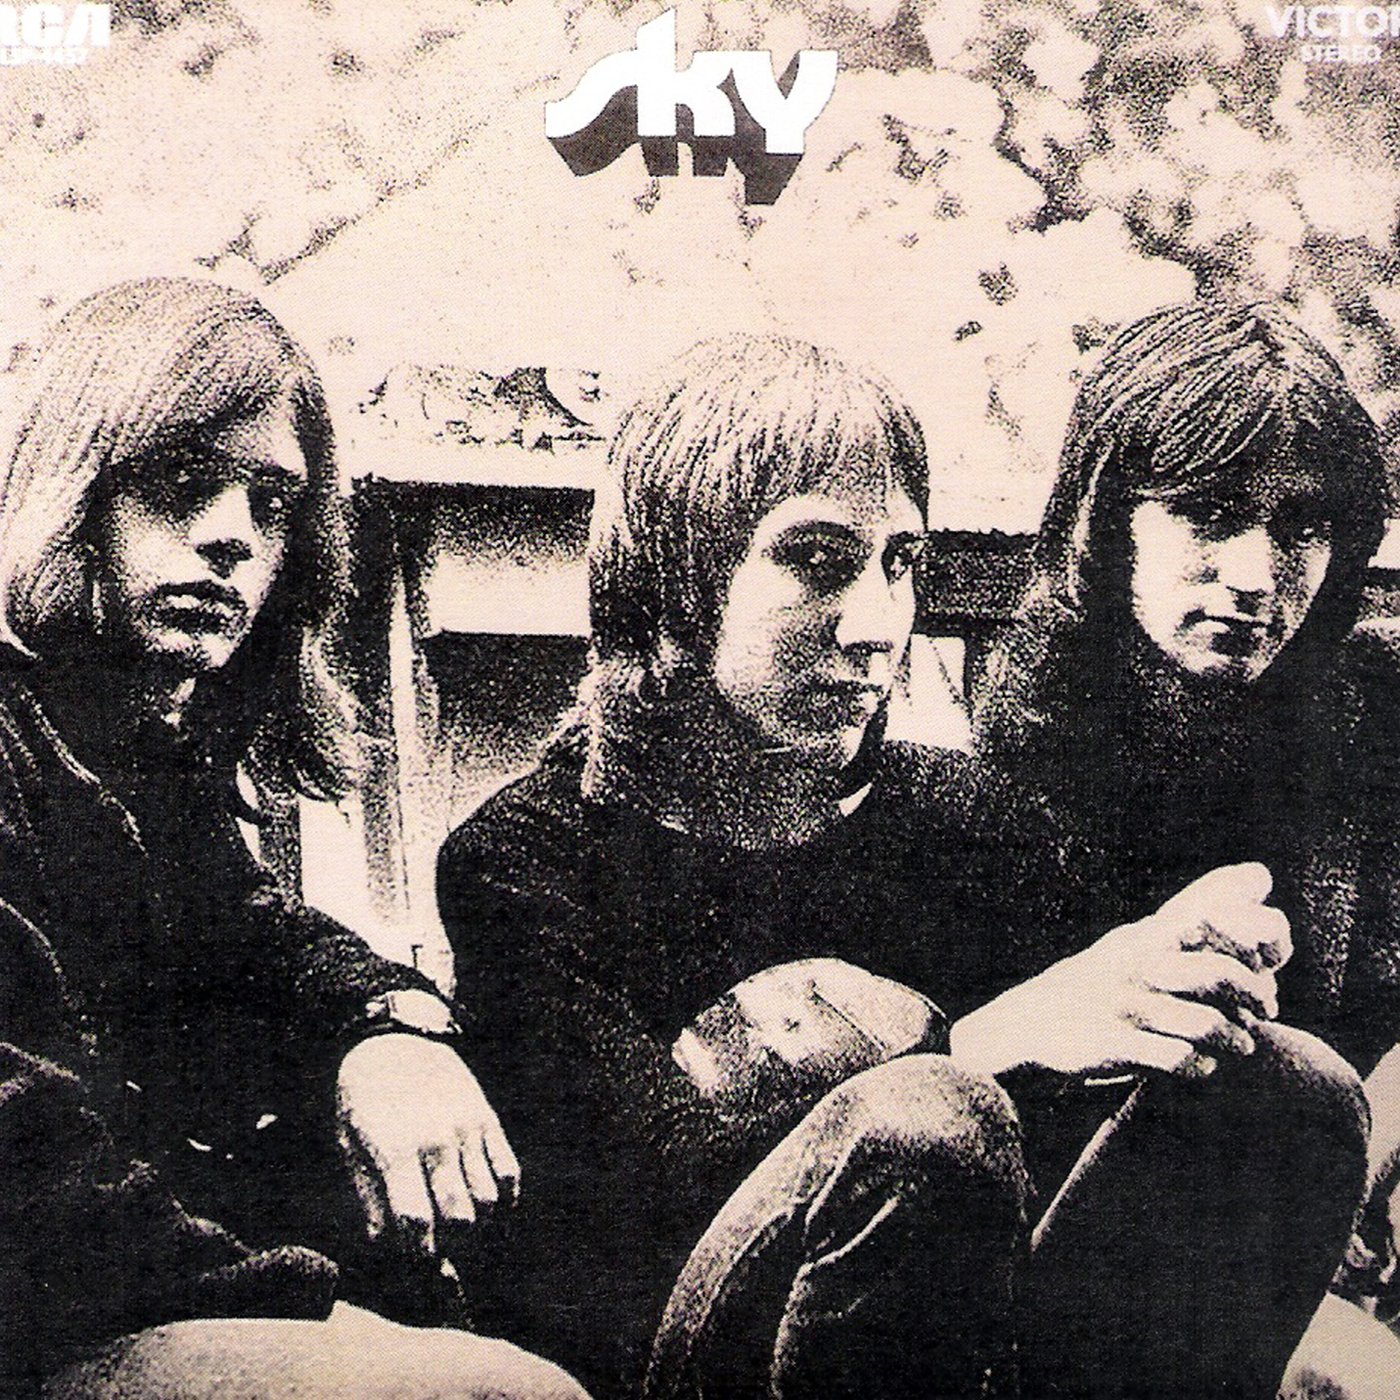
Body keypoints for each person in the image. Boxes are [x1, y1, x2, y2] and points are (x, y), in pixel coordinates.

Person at [438, 332, 1367, 1399]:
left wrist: (1177, 993)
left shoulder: (971, 820)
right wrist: (987, 1046)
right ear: (674, 573)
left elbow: (1073, 1188)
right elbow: (636, 1213)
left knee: (1284, 1088)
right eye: (816, 562)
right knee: (928, 1124)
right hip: (677, 1363)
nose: (875, 626)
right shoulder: (525, 859)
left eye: (899, 563)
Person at [0, 277, 584, 1400]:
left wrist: (386, 1031)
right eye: (181, 485)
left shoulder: (139, 763)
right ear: (70, 492)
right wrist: (303, 1296)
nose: (233, 535)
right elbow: (25, 1157)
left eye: (271, 503)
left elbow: (262, 940)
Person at [969, 298, 1400, 1386]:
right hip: (1077, 1298)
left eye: (1300, 527)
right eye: (1208, 512)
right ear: (1106, 515)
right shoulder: (1002, 748)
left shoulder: (1373, 716)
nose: (1255, 571)